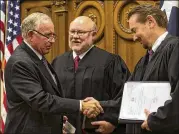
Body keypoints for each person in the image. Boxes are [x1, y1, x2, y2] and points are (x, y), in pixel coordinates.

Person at [4, 12, 104, 134]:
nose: (52, 41)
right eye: (47, 35)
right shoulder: (20, 62)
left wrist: (57, 118)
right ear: (31, 35)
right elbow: (40, 100)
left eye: (53, 35)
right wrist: (80, 105)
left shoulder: (37, 56)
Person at [52, 16, 130, 134]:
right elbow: (50, 97)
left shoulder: (110, 62)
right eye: (72, 32)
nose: (75, 36)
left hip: (98, 130)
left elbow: (125, 96)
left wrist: (113, 122)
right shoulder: (58, 62)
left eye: (81, 32)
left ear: (93, 35)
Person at [126, 4, 179, 134]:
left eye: (135, 30)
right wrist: (102, 107)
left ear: (150, 22)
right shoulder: (144, 60)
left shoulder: (175, 47)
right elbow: (129, 96)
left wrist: (156, 120)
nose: (134, 37)